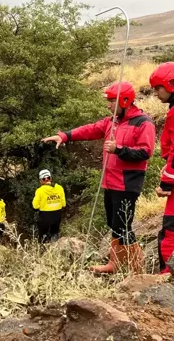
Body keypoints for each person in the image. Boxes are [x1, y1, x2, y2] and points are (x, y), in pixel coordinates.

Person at [42, 81, 156, 274]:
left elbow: (146, 152)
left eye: (112, 101)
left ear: (126, 101)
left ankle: (138, 270)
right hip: (110, 183)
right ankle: (114, 264)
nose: (109, 105)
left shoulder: (143, 122)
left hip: (126, 184)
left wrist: (118, 149)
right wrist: (65, 136)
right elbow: (91, 129)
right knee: (114, 224)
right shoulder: (112, 121)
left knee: (123, 227)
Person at [150, 62, 174, 273]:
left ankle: (168, 279)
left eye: (158, 88)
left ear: (171, 84)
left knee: (173, 231)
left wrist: (167, 183)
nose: (155, 93)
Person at [32, 170, 66, 243]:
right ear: (50, 178)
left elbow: (35, 206)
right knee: (55, 233)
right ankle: (55, 249)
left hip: (45, 215)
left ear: (41, 181)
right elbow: (63, 204)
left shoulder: (39, 191)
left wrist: (45, 204)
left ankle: (42, 251)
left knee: (43, 236)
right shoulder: (59, 188)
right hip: (57, 214)